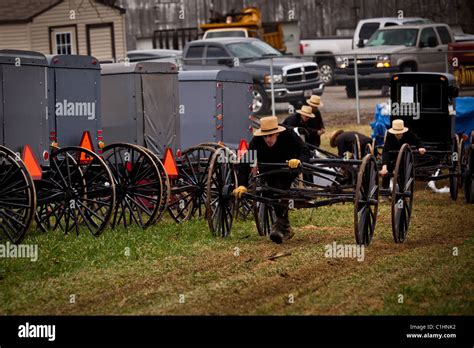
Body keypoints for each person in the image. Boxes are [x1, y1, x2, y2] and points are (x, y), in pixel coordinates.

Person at [233, 116, 310, 244]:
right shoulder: (257, 140)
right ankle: (284, 226)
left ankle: (282, 226)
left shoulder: (289, 135)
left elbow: (305, 151)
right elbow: (244, 163)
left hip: (289, 169)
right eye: (265, 136)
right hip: (268, 170)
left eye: (271, 136)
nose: (268, 139)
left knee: (279, 188)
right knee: (270, 192)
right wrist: (242, 185)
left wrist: (300, 161)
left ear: (278, 133)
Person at [380, 119, 426, 189]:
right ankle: (385, 188)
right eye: (396, 133)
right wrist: (384, 166)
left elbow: (417, 140)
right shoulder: (390, 135)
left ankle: (401, 188)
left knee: (403, 169)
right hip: (393, 155)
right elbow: (385, 150)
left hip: (405, 155)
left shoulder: (408, 133)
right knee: (388, 167)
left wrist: (421, 147)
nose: (398, 134)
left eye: (400, 133)